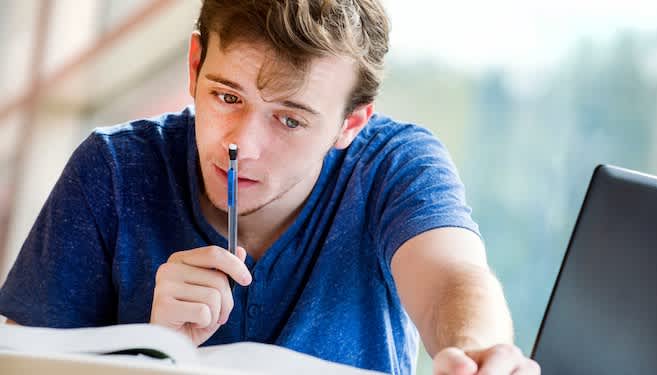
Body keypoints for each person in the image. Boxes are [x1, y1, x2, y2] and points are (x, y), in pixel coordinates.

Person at [0, 1, 539, 374]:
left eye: (290, 120)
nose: (242, 147)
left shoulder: (394, 166)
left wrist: (477, 353)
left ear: (351, 124)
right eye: (227, 97)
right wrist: (147, 350)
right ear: (194, 65)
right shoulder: (114, 169)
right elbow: (19, 360)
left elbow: (453, 280)